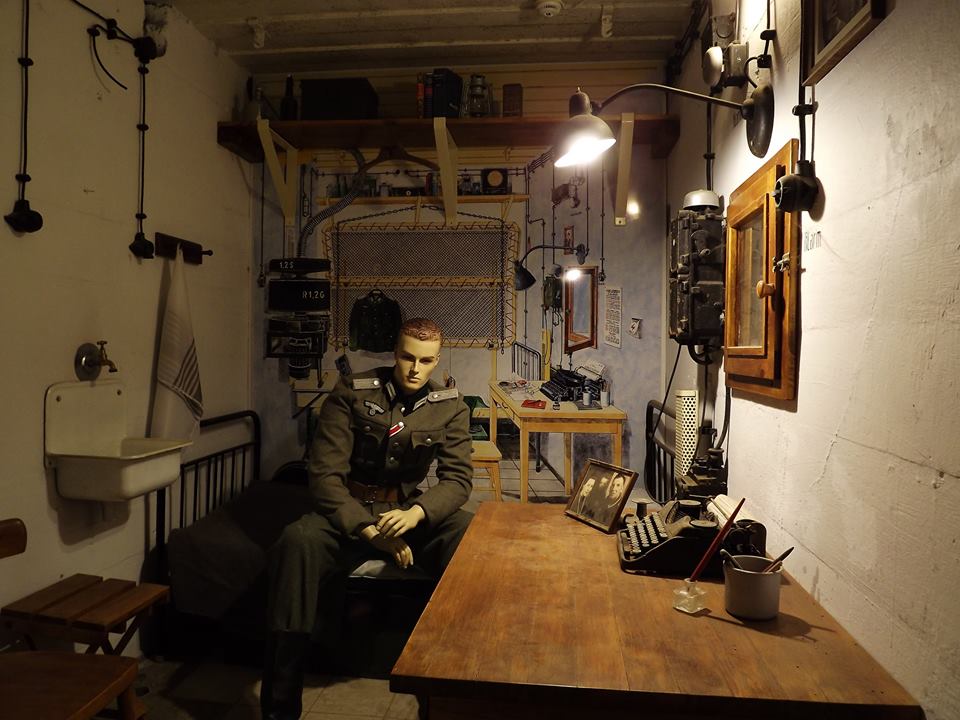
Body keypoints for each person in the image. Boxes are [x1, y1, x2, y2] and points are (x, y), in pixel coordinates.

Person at [261, 318, 474, 720]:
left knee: (466, 534)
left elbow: (458, 479)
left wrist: (417, 513)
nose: (415, 369)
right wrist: (369, 531)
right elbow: (325, 476)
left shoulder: (449, 406)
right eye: (407, 357)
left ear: (436, 361)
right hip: (347, 512)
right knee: (296, 541)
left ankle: (452, 691)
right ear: (395, 353)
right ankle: (279, 710)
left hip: (405, 514)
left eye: (425, 361)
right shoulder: (353, 393)